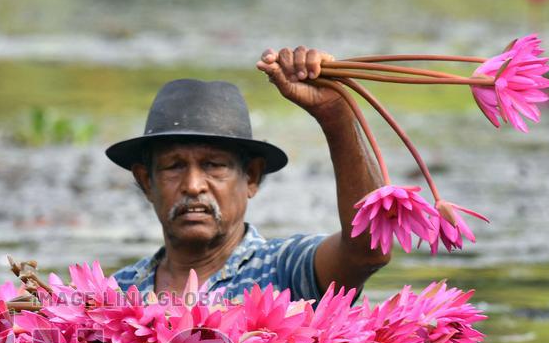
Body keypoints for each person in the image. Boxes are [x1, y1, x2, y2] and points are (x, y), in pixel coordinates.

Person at [107, 46, 385, 301]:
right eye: (174, 167)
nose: (193, 186)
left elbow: (365, 253)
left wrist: (334, 115)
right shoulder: (118, 292)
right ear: (146, 182)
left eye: (214, 165)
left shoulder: (285, 269)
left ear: (251, 177)